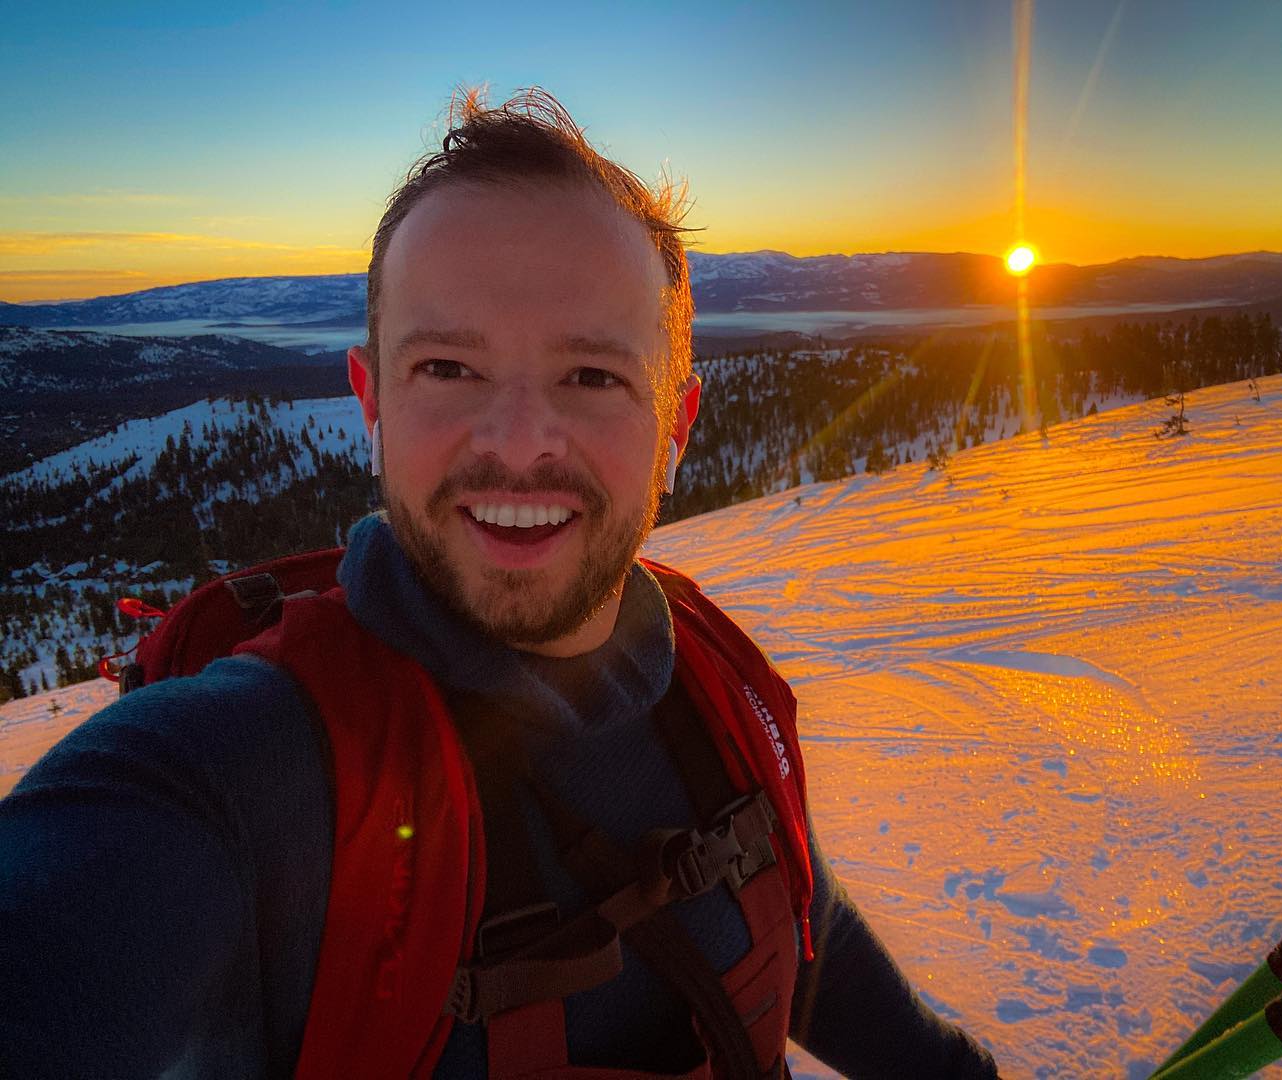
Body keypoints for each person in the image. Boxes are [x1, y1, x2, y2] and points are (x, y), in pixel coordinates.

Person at [0, 89, 999, 1079]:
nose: (519, 445)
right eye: (448, 368)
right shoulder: (231, 770)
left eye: (592, 377)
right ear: (372, 403)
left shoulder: (711, 684)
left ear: (677, 425)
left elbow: (800, 912)